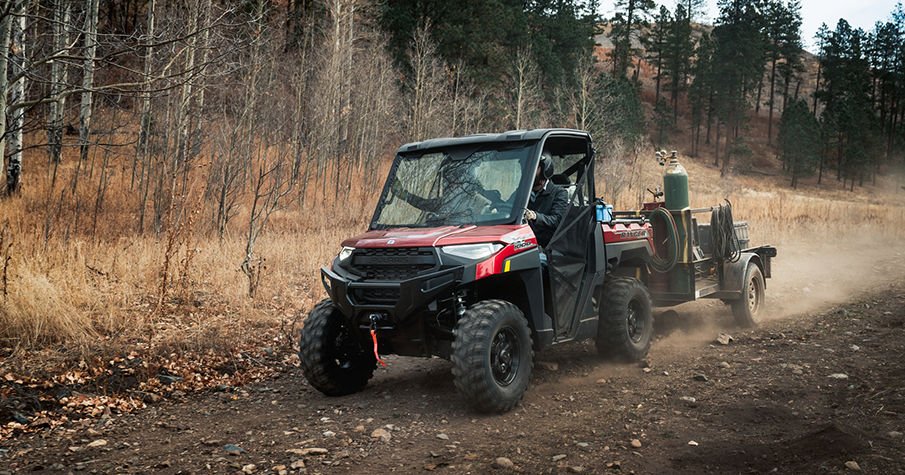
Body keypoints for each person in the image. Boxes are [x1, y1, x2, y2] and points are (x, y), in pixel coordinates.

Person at [525, 151, 568, 248]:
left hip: (549, 247)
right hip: (526, 242)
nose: (529, 171)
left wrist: (536, 217)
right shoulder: (524, 192)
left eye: (535, 168)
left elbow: (557, 220)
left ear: (546, 169)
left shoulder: (559, 193)